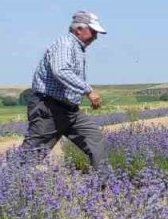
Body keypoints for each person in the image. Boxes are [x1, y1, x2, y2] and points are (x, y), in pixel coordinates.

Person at [18, 11, 109, 170]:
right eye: (93, 31)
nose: (96, 36)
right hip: (49, 109)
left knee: (95, 139)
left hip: (70, 111)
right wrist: (88, 90)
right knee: (32, 154)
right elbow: (60, 70)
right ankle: (5, 186)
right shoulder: (65, 44)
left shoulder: (77, 48)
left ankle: (105, 185)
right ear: (79, 29)